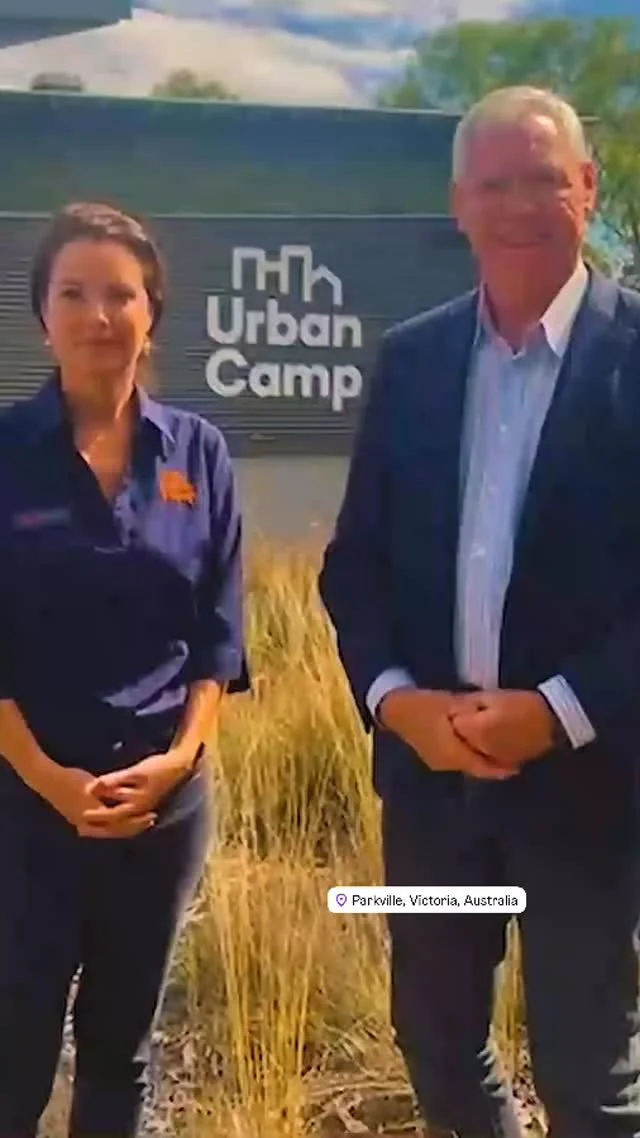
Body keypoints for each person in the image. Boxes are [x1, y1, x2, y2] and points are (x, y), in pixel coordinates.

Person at [318, 85, 640, 1138]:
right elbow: (354, 566)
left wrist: (555, 711)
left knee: (590, 1080)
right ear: (459, 204)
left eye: (543, 180)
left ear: (587, 188)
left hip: (592, 793)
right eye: (493, 185)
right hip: (432, 795)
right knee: (438, 1042)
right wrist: (397, 702)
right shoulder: (411, 360)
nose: (518, 207)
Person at [0, 201, 249, 1137]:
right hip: (25, 806)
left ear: (153, 314)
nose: (98, 315)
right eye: (74, 293)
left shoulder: (199, 454)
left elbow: (219, 632)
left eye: (121, 294)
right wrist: (49, 780)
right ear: (42, 314)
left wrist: (181, 760)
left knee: (121, 1047)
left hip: (163, 808)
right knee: (12, 1042)